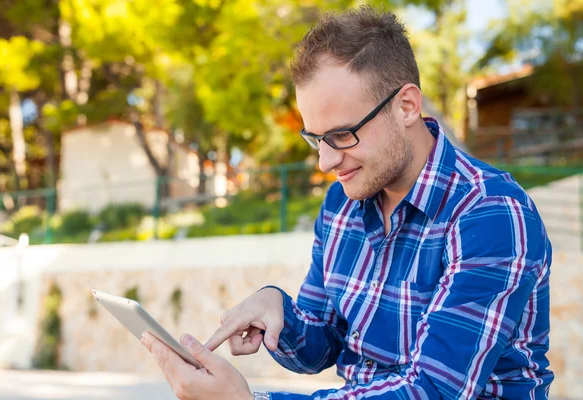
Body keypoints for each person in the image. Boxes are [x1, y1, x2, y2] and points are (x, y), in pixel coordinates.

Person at [140, 6, 553, 399]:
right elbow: (323, 345)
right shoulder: (341, 203)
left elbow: (433, 390)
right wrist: (277, 311)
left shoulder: (491, 213)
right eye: (316, 138)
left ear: (407, 106)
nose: (325, 161)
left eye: (341, 135)